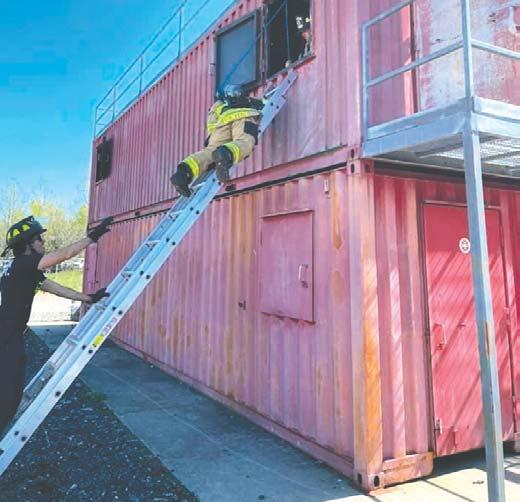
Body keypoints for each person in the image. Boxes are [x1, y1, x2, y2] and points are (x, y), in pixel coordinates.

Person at [0, 215, 113, 435]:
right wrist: (92, 237)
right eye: (39, 239)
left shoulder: (23, 269)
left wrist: (89, 298)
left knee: (10, 386)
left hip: (9, 332)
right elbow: (65, 254)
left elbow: (56, 289)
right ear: (27, 244)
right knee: (9, 391)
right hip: (7, 334)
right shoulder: (24, 263)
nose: (43, 242)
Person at [170, 83, 265, 197]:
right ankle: (225, 155)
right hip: (241, 116)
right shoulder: (239, 100)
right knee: (244, 142)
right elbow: (251, 102)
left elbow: (211, 125)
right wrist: (263, 102)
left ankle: (183, 173)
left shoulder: (217, 108)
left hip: (220, 126)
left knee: (210, 152)